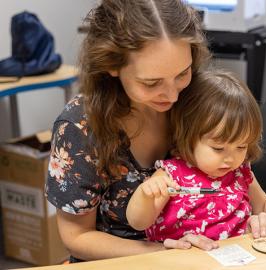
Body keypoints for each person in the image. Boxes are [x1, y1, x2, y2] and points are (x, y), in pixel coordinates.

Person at [45, 0, 217, 262]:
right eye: (151, 82)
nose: (172, 95)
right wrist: (163, 252)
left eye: (182, 74)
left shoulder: (195, 100)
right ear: (111, 65)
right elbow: (77, 238)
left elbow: (238, 178)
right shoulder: (80, 127)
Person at [126, 70, 266, 243]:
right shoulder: (171, 174)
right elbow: (139, 223)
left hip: (236, 257)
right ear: (187, 138)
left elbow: (264, 210)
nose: (231, 158)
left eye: (241, 146)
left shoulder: (240, 172)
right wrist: (146, 194)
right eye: (218, 148)